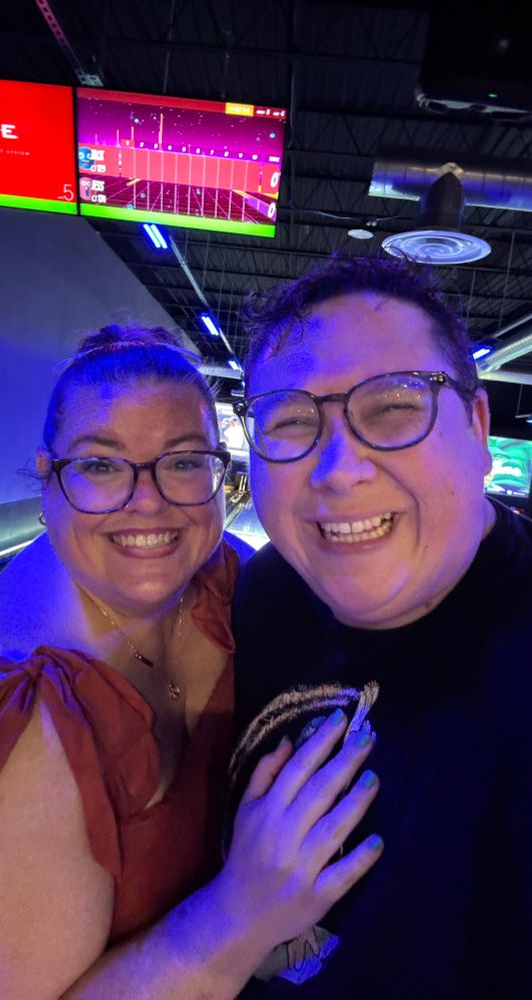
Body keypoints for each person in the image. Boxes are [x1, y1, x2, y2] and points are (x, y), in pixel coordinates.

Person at [0, 326, 383, 999]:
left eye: (184, 461)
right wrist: (242, 911)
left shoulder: (220, 582)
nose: (149, 501)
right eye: (101, 465)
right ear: (47, 480)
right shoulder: (19, 730)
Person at [232, 253, 532, 999]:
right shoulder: (261, 597)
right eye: (291, 421)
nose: (337, 469)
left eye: (393, 406)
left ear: (477, 424)